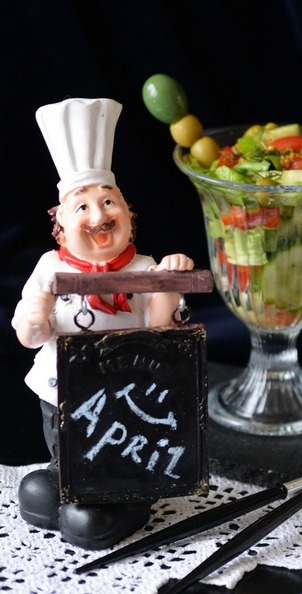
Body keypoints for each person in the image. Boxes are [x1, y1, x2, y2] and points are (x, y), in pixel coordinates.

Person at [12, 97, 194, 550]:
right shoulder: (49, 267)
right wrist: (36, 313)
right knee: (58, 460)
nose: (98, 216)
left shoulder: (145, 269)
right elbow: (30, 335)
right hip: (61, 389)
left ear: (129, 213)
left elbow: (162, 335)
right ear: (60, 221)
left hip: (124, 397)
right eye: (82, 208)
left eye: (109, 202)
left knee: (112, 461)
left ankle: (123, 495)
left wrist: (167, 283)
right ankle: (68, 479)